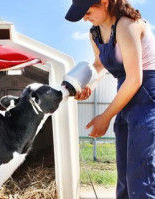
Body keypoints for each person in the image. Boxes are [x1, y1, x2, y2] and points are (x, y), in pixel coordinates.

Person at [65, 0, 155, 198]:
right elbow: (99, 64)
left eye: (88, 12)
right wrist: (89, 84)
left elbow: (135, 79)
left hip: (147, 93)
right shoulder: (95, 32)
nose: (85, 18)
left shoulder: (127, 25)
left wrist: (105, 117)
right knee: (124, 172)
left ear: (104, 2)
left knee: (140, 173)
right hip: (125, 91)